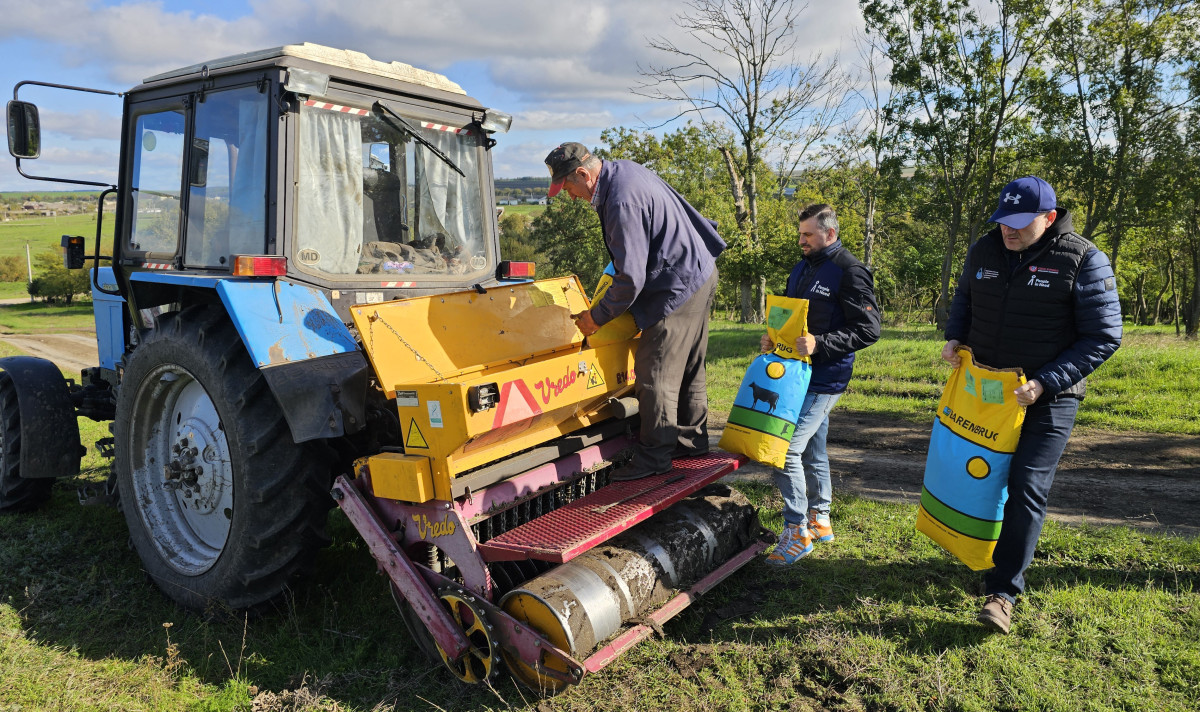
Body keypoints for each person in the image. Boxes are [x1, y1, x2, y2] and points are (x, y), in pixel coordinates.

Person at [942, 175, 1122, 634]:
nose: (1009, 230)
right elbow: (964, 297)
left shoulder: (1083, 259)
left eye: (1021, 222)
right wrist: (955, 336)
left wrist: (1046, 382)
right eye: (1004, 220)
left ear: (1050, 216)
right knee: (981, 474)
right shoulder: (984, 249)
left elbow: (1104, 336)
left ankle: (1003, 592)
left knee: (1025, 487)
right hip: (987, 395)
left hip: (1048, 399)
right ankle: (977, 551)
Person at [545, 142, 727, 480]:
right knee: (688, 367)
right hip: (698, 271)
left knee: (655, 373)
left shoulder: (620, 200)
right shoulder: (624, 172)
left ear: (584, 174)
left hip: (677, 284)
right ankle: (690, 445)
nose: (570, 196)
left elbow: (630, 279)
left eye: (568, 187)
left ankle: (654, 459)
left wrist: (594, 317)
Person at [759, 204, 880, 565]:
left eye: (808, 235)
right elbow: (789, 317)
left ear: (830, 233)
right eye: (800, 234)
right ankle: (820, 519)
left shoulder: (850, 271)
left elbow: (869, 330)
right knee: (812, 450)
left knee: (785, 451)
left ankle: (797, 532)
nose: (802, 241)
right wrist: (772, 338)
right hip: (796, 375)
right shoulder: (802, 268)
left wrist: (821, 345)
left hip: (825, 378)